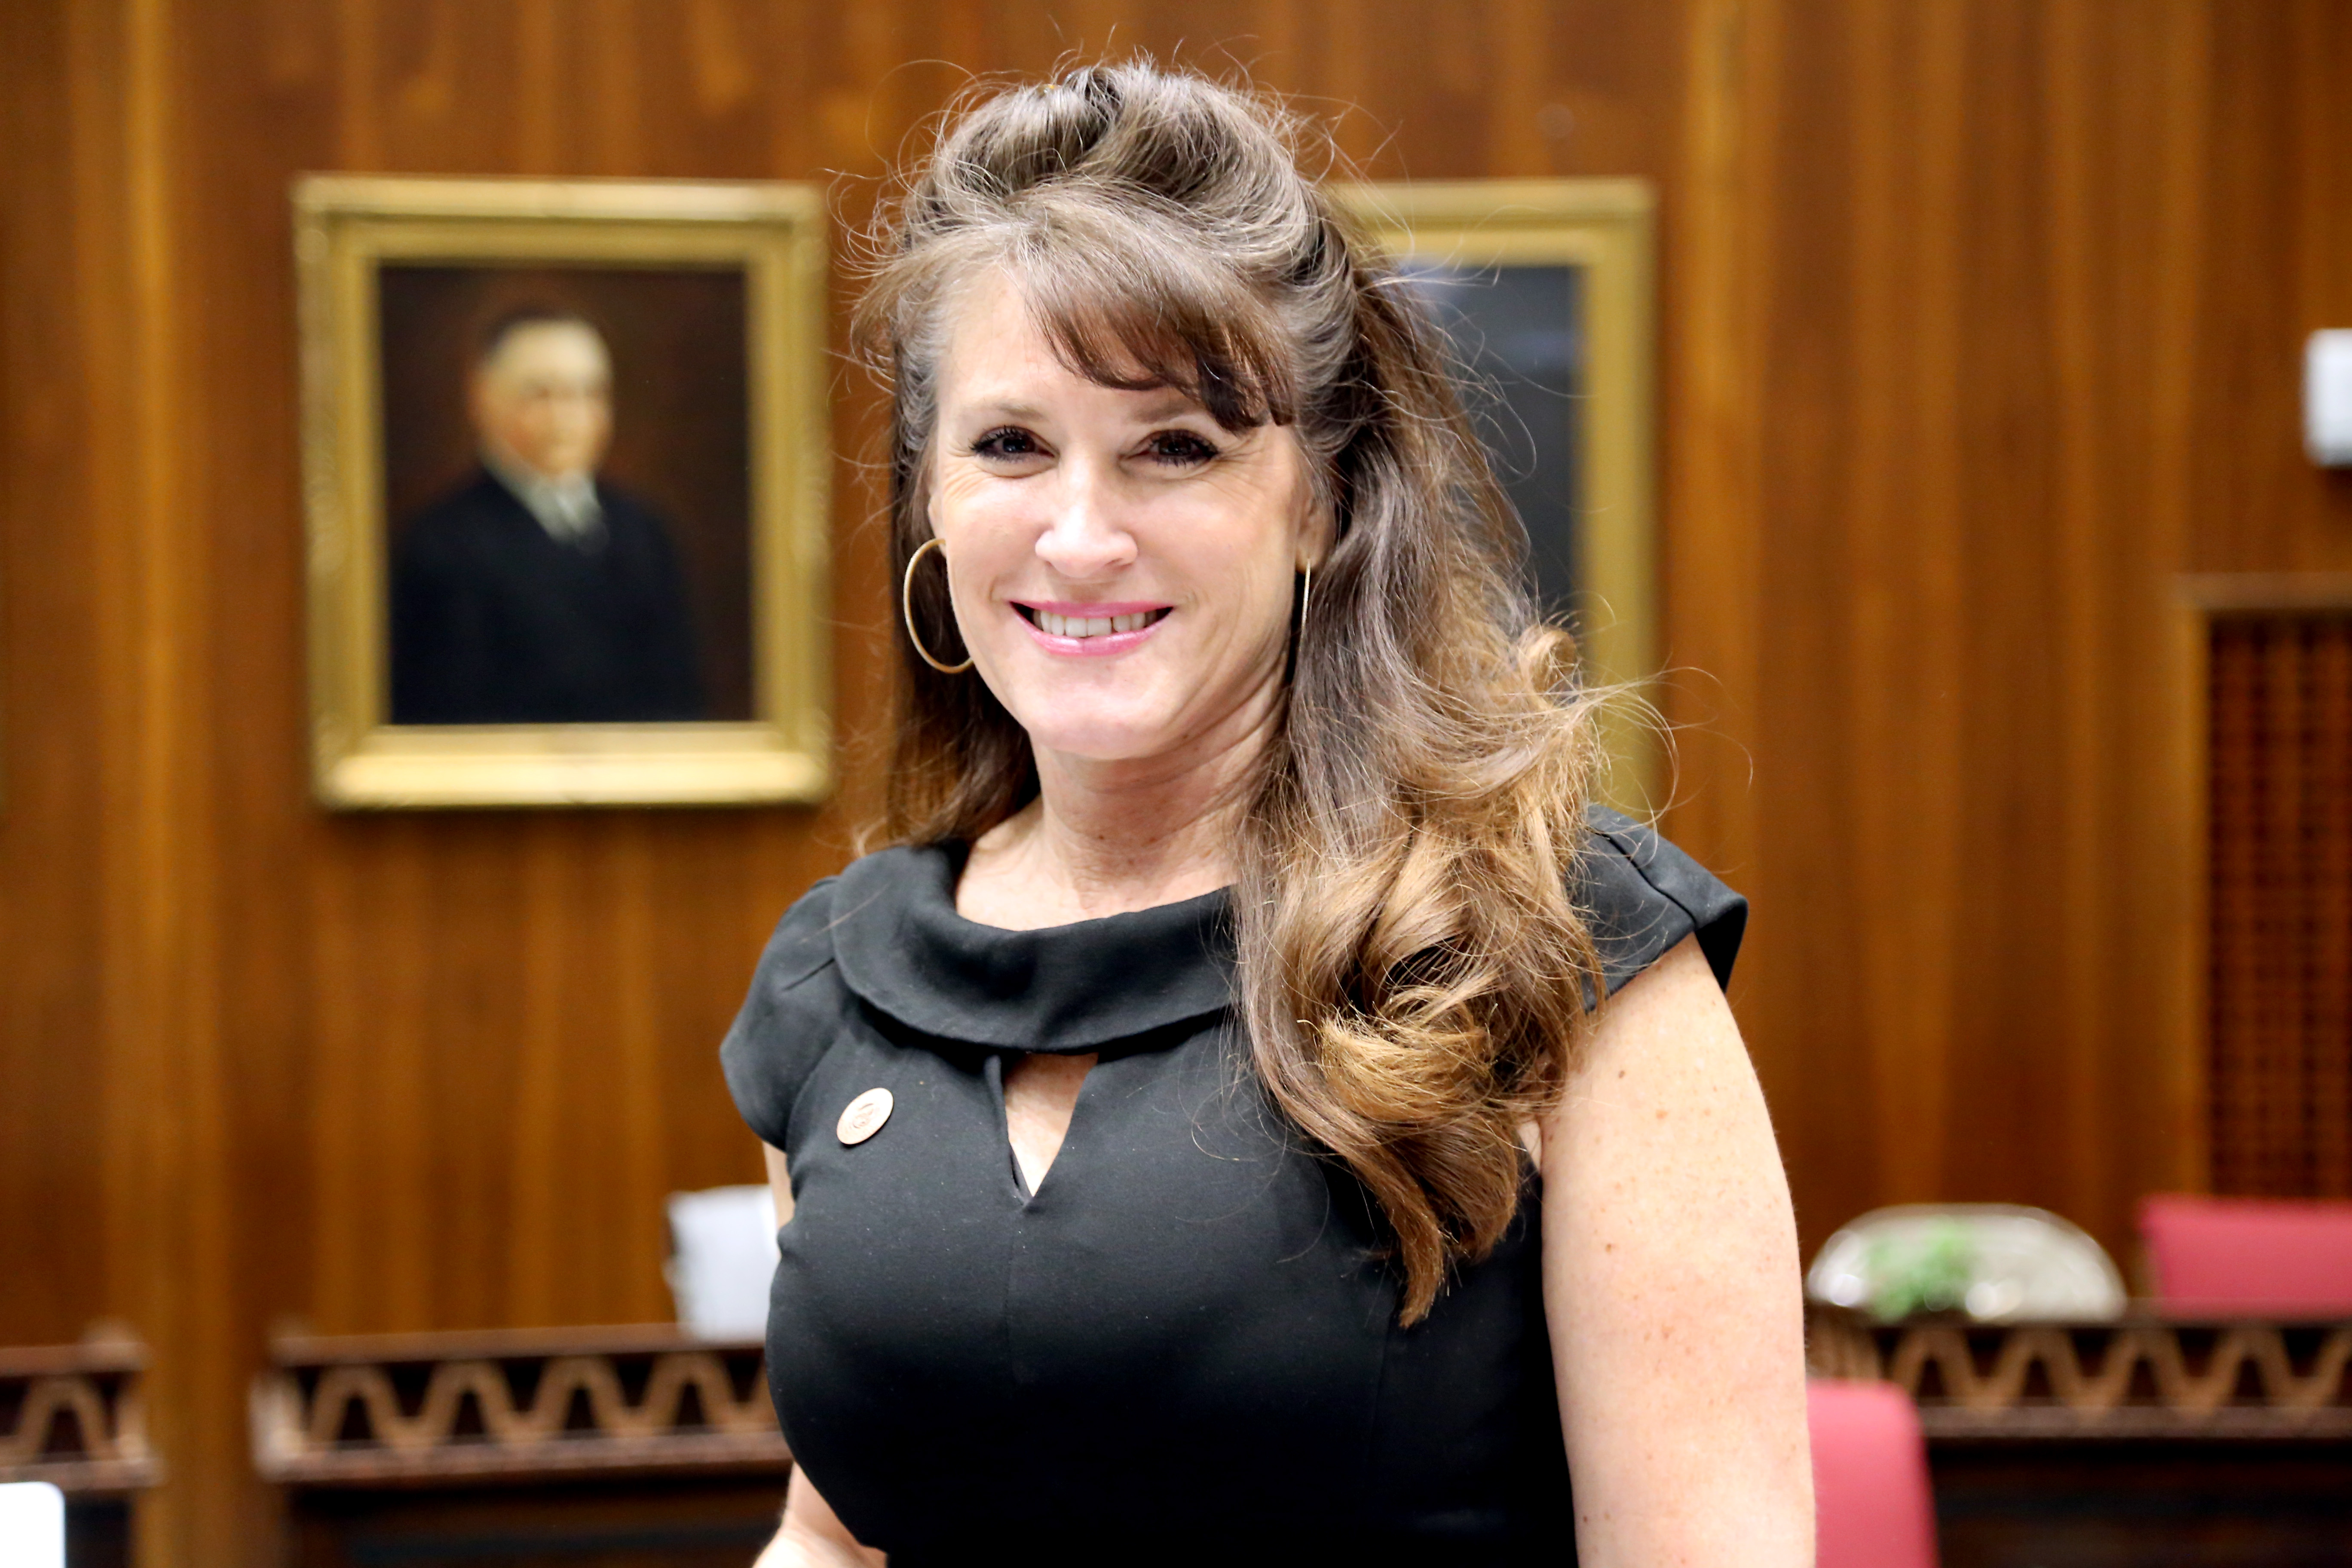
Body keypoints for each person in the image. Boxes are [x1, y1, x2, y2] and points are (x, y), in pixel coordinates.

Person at [723, 64, 1811, 1567]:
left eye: (1175, 445)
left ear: (1320, 500)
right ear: (927, 496)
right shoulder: (834, 984)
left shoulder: (1560, 946)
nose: (1082, 531)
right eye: (1009, 444)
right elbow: (837, 1533)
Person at [389, 308, 704, 724]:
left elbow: (683, 702)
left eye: (587, 394)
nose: (566, 417)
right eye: (541, 395)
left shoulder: (643, 529)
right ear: (483, 399)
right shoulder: (444, 544)